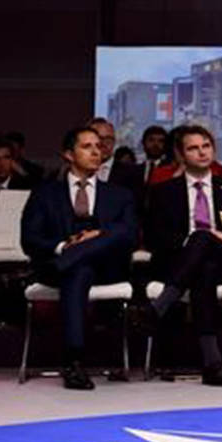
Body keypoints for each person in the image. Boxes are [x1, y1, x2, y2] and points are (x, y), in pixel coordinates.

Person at [20, 127, 136, 390]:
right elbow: (30, 239)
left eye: (99, 146)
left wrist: (98, 235)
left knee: (118, 231)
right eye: (87, 147)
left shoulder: (119, 194)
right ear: (68, 154)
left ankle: (73, 361)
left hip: (107, 267)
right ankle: (74, 361)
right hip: (64, 266)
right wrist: (64, 246)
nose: (97, 151)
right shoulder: (45, 193)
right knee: (79, 271)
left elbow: (130, 238)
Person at [138, 126, 222, 386]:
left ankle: (160, 306)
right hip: (179, 261)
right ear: (180, 155)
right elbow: (154, 238)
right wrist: (190, 244)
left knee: (205, 240)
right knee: (203, 264)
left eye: (206, 146)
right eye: (193, 148)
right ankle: (213, 364)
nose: (201, 152)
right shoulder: (164, 191)